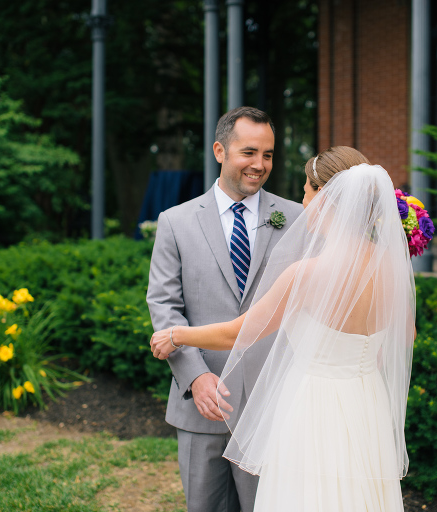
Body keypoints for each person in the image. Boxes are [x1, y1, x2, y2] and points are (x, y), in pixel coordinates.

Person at [151, 146, 416, 511]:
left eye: (306, 191)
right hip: (365, 404)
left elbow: (238, 333)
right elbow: (406, 335)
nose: (303, 201)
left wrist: (176, 334)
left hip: (314, 408)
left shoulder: (308, 274)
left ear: (325, 197)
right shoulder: (391, 267)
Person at [146, 106, 303, 512]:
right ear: (220, 151)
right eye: (248, 152)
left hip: (273, 405)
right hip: (203, 408)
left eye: (267, 155)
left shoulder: (296, 217)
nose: (259, 164)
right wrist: (196, 377)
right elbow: (164, 304)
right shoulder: (175, 222)